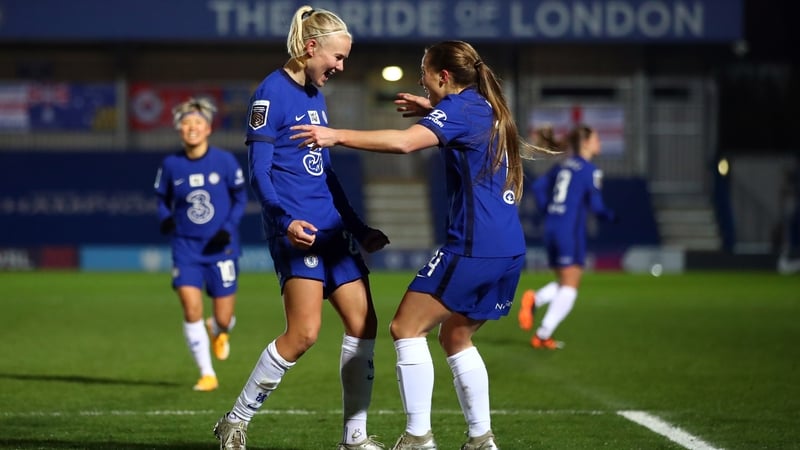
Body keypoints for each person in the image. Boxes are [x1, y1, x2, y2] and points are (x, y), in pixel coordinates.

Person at [291, 40, 550, 450]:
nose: (422, 81)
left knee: (404, 328)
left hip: (472, 247)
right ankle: (481, 439)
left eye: (424, 74)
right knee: (456, 339)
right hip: (508, 250)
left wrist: (335, 134)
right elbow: (466, 131)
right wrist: (434, 111)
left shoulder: (461, 109)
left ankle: (418, 437)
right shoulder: (484, 105)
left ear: (443, 77)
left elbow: (404, 144)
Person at [212, 6, 389, 450]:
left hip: (333, 231)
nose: (341, 67)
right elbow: (260, 175)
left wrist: (358, 227)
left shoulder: (316, 95)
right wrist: (284, 221)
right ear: (311, 47)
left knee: (364, 325)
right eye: (337, 57)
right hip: (297, 232)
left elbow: (325, 174)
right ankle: (235, 420)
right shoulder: (269, 95)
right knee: (304, 334)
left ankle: (355, 438)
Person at [154, 97, 247, 391]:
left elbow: (240, 197)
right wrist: (165, 217)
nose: (191, 128)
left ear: (208, 129)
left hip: (221, 247)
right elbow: (160, 198)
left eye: (197, 123)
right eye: (186, 123)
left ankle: (218, 329)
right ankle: (207, 374)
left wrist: (228, 228)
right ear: (179, 129)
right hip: (186, 248)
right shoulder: (171, 164)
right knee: (190, 307)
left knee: (223, 317)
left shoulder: (224, 161)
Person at [517, 124, 616, 349]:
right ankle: (542, 331)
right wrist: (613, 217)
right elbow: (597, 206)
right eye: (596, 139)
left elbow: (540, 187)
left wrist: (548, 210)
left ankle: (537, 306)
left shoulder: (562, 166)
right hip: (569, 230)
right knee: (570, 287)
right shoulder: (590, 170)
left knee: (565, 281)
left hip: (553, 226)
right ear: (586, 143)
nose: (599, 143)